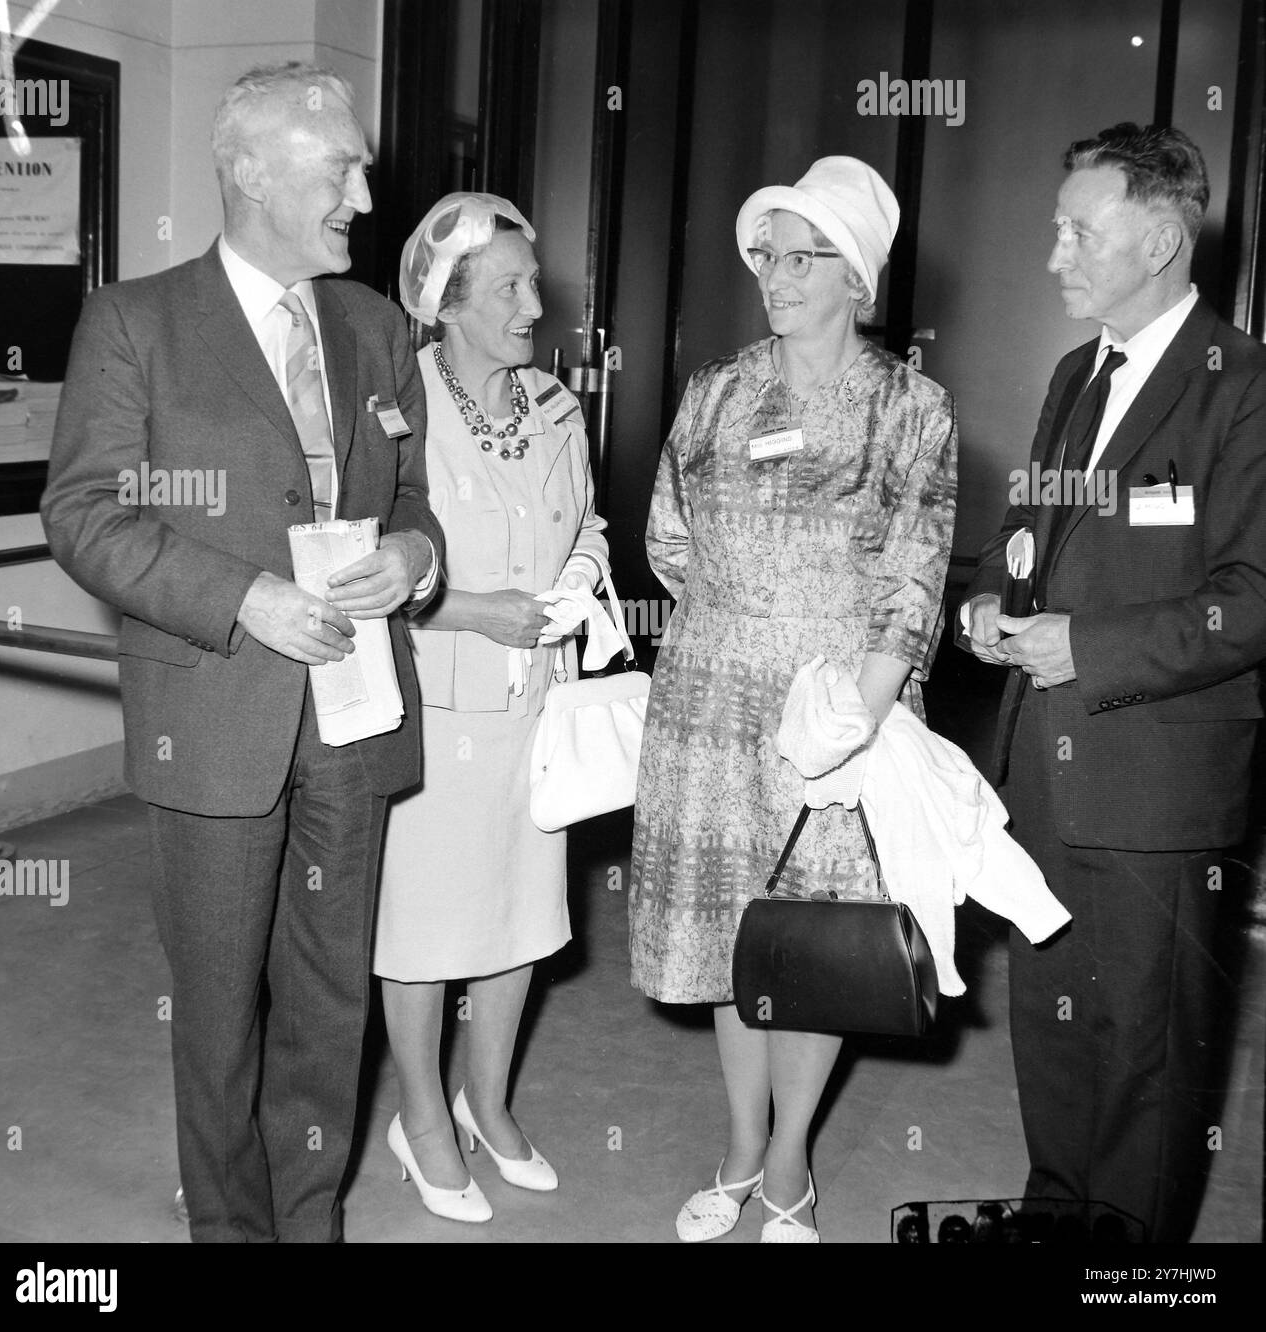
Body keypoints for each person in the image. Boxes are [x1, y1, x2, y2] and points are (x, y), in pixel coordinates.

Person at [40, 63, 443, 1243]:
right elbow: (84, 513)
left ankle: (306, 1225)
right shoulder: (137, 322)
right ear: (255, 175)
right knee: (217, 1018)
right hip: (213, 721)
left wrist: (414, 558)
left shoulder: (375, 327)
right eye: (342, 170)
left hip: (353, 714)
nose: (364, 197)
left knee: (327, 1007)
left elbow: (414, 498)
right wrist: (243, 597)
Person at [629, 157, 957, 1242]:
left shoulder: (912, 409)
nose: (775, 275)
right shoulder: (716, 390)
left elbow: (914, 578)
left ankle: (786, 1165)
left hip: (838, 713)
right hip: (711, 701)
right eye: (766, 254)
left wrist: (854, 715)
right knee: (733, 933)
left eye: (804, 257)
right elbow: (669, 537)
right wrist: (748, 618)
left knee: (814, 941)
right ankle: (737, 1142)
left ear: (857, 276)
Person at [958, 122, 1266, 1243]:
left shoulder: (1243, 388)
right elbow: (1027, 534)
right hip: (1043, 762)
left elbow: (1252, 596)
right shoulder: (1073, 375)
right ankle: (1057, 1222)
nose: (1054, 256)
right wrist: (988, 599)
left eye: (1077, 233)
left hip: (1156, 781)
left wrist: (1085, 645)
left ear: (1161, 241)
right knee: (1051, 1025)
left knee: (1144, 1049)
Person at [372, 193, 608, 1223]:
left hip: (538, 704)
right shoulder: (397, 405)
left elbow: (589, 521)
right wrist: (475, 610)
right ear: (448, 301)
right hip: (436, 702)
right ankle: (421, 1117)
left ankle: (487, 1100)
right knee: (424, 927)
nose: (533, 304)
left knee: (521, 915)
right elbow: (363, 559)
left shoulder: (555, 404)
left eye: (531, 281)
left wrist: (581, 576)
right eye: (508, 286)